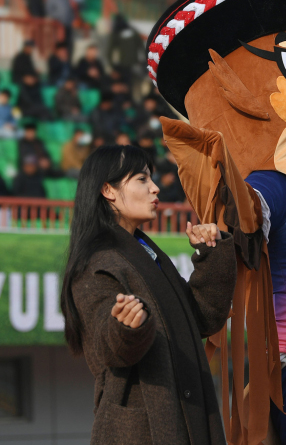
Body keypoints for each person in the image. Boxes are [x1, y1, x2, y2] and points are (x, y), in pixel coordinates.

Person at [59, 145, 236, 444]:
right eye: (142, 179)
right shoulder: (97, 263)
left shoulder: (145, 251)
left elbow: (202, 318)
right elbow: (107, 347)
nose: (155, 188)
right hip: (139, 430)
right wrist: (126, 327)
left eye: (151, 179)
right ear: (108, 190)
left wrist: (211, 252)